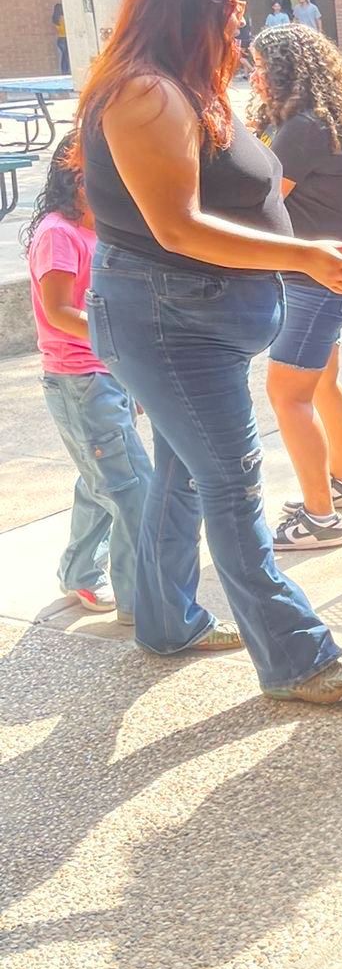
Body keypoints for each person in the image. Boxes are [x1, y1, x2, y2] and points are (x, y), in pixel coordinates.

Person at [77, 0, 342, 706]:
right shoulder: (147, 94)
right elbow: (175, 228)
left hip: (192, 318)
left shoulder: (184, 87)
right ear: (194, 11)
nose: (243, 20)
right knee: (230, 480)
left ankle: (166, 621)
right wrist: (302, 254)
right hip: (168, 320)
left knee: (182, 472)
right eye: (231, 5)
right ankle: (298, 656)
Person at [247, 24, 342, 551]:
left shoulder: (302, 129)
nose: (251, 76)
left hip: (318, 279)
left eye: (257, 65)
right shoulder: (319, 123)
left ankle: (320, 519)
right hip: (338, 273)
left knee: (286, 394)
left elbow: (263, 203)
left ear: (282, 72)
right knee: (321, 382)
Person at [25, 139, 153, 621]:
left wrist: (131, 371)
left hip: (110, 373)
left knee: (100, 481)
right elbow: (58, 312)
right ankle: (140, 604)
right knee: (134, 490)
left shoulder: (106, 231)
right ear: (71, 179)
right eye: (94, 175)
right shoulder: (59, 235)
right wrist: (115, 337)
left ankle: (79, 573)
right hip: (81, 381)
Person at [52, 1, 70, 77]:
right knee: (66, 56)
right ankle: (66, 71)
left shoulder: (54, 19)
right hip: (65, 38)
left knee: (64, 56)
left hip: (60, 38)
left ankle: (64, 70)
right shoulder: (63, 18)